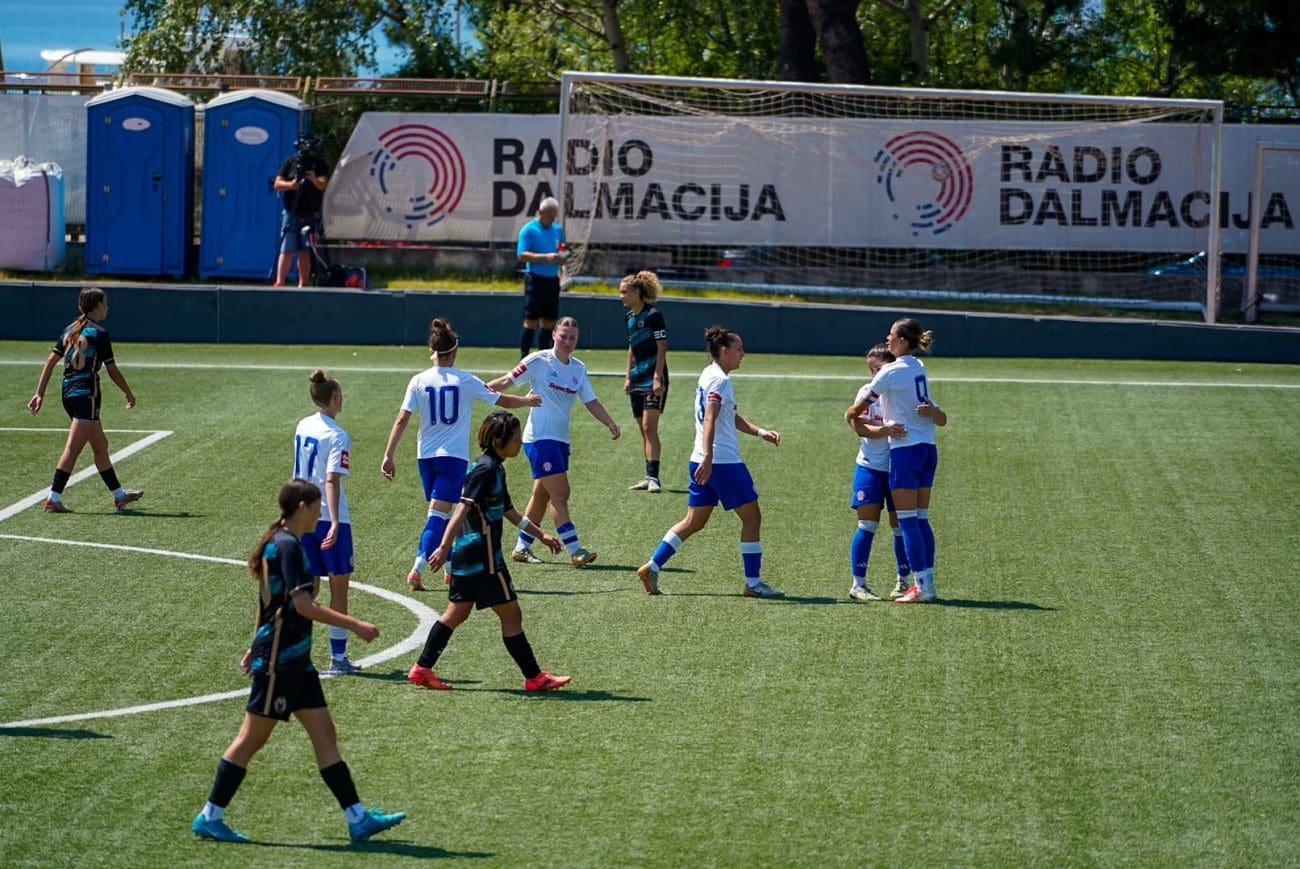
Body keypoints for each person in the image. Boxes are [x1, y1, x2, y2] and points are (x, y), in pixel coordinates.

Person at [191, 478, 405, 844]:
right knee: (250, 740)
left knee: (325, 735)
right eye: (318, 506)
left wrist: (251, 643)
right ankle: (210, 816)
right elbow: (302, 605)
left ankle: (357, 818)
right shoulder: (287, 546)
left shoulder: (284, 543)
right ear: (302, 507)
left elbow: (266, 603)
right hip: (279, 661)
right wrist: (355, 625)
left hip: (296, 662)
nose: (321, 511)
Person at [407, 412, 571, 693]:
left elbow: (508, 510)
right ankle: (534, 677)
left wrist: (540, 534)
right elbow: (461, 508)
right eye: (516, 439)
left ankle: (422, 669)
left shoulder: (494, 467)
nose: (520, 444)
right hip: (483, 558)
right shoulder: (485, 469)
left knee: (457, 613)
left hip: (469, 556)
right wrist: (444, 546)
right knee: (511, 613)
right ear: (498, 441)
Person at [381, 318, 542, 591]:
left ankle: (449, 567)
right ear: (454, 352)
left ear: (432, 352)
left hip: (426, 458)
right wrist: (527, 401)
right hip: (452, 459)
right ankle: (417, 568)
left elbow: (401, 419)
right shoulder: (465, 380)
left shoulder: (418, 381)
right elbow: (501, 400)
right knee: (438, 516)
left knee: (442, 514)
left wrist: (389, 455)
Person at [635, 326, 784, 599]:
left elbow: (729, 416)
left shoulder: (710, 374)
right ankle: (753, 584)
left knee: (694, 521)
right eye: (739, 349)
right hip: (722, 462)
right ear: (724, 351)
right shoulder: (720, 381)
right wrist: (710, 457)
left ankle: (652, 566)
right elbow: (710, 419)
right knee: (753, 519)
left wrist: (760, 432)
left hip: (700, 460)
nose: (743, 354)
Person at [486, 317, 620, 568]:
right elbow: (506, 381)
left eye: (573, 338)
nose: (568, 341)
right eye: (563, 336)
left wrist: (610, 422)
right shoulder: (538, 361)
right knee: (561, 493)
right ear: (553, 336)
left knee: (541, 496)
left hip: (560, 441)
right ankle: (575, 550)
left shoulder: (578, 368)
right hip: (539, 439)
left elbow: (590, 400)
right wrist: (476, 389)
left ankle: (521, 548)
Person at [27, 287, 142, 513]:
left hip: (68, 392)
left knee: (100, 445)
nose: (107, 307)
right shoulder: (99, 333)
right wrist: (128, 392)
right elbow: (112, 370)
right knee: (73, 448)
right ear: (98, 306)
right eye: (105, 303)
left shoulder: (70, 330)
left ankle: (119, 496)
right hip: (86, 394)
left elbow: (50, 362)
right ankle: (53, 497)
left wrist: (39, 392)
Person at [865, 317, 948, 604]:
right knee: (921, 519)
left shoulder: (890, 371)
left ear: (901, 341)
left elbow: (863, 402)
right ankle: (929, 583)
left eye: (890, 336)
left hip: (905, 450)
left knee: (907, 520)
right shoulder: (918, 366)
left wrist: (851, 414)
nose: (887, 340)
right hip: (928, 448)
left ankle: (920, 586)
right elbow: (933, 411)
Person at [294, 369, 362, 674]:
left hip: (302, 516)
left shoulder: (303, 425)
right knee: (338, 589)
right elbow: (332, 480)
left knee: (307, 591)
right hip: (328, 517)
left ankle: (297, 654)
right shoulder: (337, 434)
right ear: (334, 397)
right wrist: (335, 522)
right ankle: (337, 658)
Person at [841, 343, 913, 601]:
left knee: (900, 527)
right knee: (866, 525)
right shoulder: (866, 393)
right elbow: (857, 425)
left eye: (879, 369)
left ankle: (903, 582)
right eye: (871, 370)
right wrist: (884, 430)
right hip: (870, 467)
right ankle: (858, 584)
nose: (874, 375)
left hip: (898, 470)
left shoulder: (902, 394)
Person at [620, 270, 669, 493]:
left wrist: (657, 376)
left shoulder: (653, 315)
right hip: (637, 378)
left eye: (624, 292)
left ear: (637, 292)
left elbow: (662, 347)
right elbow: (631, 347)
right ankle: (648, 475)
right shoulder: (630, 318)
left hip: (653, 378)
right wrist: (628, 375)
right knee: (643, 429)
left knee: (650, 427)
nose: (621, 296)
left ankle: (655, 479)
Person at [272, 132, 330, 288]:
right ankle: (280, 282)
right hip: (291, 211)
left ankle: (303, 283)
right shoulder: (290, 162)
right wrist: (291, 185)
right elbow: (277, 184)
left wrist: (312, 178)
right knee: (287, 249)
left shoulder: (320, 164)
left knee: (305, 250)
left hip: (310, 212)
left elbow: (322, 184)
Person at [515, 196, 566, 358]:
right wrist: (546, 257)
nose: (551, 219)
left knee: (549, 321)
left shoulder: (558, 230)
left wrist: (563, 257)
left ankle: (544, 356)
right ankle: (524, 357)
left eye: (554, 216)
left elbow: (563, 249)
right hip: (535, 280)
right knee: (531, 320)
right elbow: (521, 255)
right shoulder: (528, 230)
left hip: (552, 280)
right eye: (549, 215)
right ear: (540, 212)